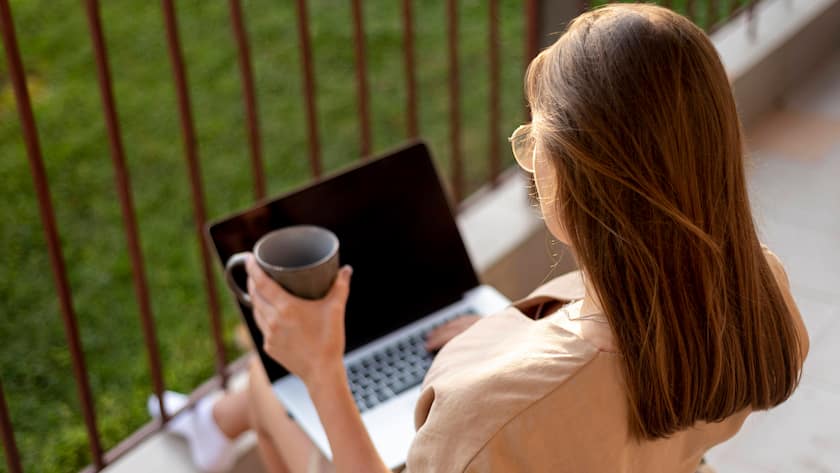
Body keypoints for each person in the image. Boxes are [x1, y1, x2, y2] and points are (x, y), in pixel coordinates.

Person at [150, 4, 809, 472]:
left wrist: (323, 371)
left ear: (575, 182)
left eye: (534, 139)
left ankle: (222, 418)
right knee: (255, 392)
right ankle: (213, 422)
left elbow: (548, 404)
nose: (530, 154)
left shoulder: (485, 412)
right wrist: (510, 340)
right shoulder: (759, 293)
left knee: (272, 387)